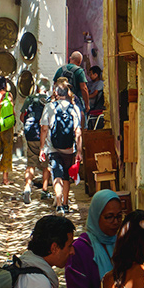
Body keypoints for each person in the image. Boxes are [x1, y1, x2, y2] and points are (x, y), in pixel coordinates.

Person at [39, 82, 82, 214]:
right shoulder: (74, 108)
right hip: (69, 149)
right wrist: (79, 151)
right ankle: (66, 203)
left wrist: (42, 147)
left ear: (56, 93)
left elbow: (44, 128)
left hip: (53, 148)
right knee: (66, 177)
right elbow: (78, 131)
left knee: (56, 175)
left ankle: (58, 204)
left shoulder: (49, 107)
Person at [19, 77, 51, 204]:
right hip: (44, 136)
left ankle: (27, 188)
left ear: (37, 87)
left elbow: (22, 117)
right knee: (46, 165)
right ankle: (44, 191)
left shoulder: (30, 99)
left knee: (30, 163)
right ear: (48, 88)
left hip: (31, 136)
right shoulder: (49, 101)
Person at [0, 76, 15, 186]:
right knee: (7, 150)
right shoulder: (8, 95)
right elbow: (12, 109)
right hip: (7, 126)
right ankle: (5, 179)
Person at [53, 51, 90, 116]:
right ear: (79, 62)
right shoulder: (79, 71)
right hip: (75, 101)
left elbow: (54, 85)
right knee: (80, 117)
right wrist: (87, 105)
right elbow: (83, 88)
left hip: (61, 101)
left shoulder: (60, 69)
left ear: (70, 58)